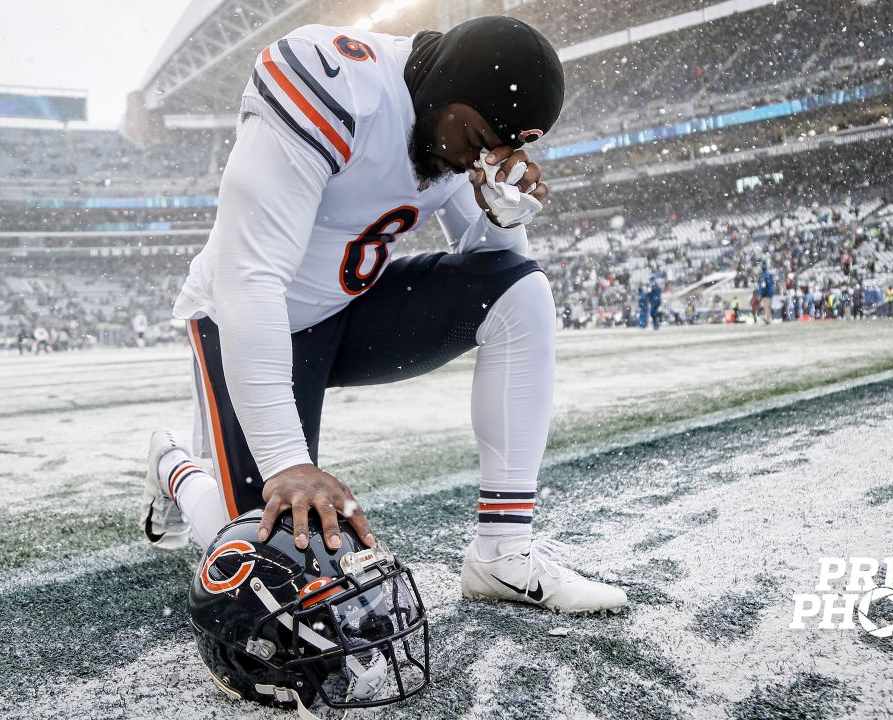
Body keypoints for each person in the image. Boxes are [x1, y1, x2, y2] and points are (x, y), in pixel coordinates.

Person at [142, 17, 624, 626]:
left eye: (496, 151)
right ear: (440, 85)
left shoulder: (453, 126)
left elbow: (492, 276)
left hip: (348, 312)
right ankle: (176, 465)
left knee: (522, 292)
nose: (476, 158)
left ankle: (503, 553)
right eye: (475, 136)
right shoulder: (339, 83)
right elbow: (250, 281)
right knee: (260, 553)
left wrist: (501, 220)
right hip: (250, 319)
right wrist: (289, 462)